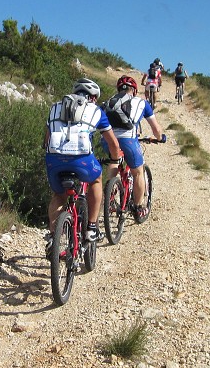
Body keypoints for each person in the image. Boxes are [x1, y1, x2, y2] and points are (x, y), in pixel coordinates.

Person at [44, 78, 122, 246]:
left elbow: (46, 140)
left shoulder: (54, 108)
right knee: (96, 179)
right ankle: (91, 228)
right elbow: (112, 143)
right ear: (93, 97)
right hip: (82, 160)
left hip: (54, 159)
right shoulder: (96, 111)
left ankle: (52, 238)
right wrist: (115, 158)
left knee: (59, 195)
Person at [102, 75, 165, 223]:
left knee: (114, 159)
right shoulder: (142, 103)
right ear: (135, 90)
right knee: (138, 173)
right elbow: (156, 129)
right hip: (129, 141)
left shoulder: (107, 103)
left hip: (108, 141)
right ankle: (137, 207)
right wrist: (160, 137)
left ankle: (109, 196)